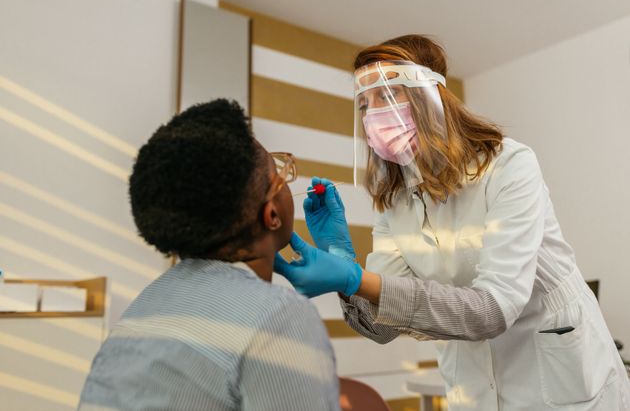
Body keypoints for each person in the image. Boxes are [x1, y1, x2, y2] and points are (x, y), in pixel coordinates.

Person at [275, 35, 630, 410]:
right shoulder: (395, 200)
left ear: (431, 98)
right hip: (472, 385)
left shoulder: (508, 166)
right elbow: (383, 327)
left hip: (558, 378)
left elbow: (494, 309)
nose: (371, 115)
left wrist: (357, 279)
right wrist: (345, 268)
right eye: (364, 103)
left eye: (387, 95)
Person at [79, 99, 340, 411]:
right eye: (278, 175)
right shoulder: (279, 317)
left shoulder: (149, 303)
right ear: (271, 215)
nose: (286, 181)